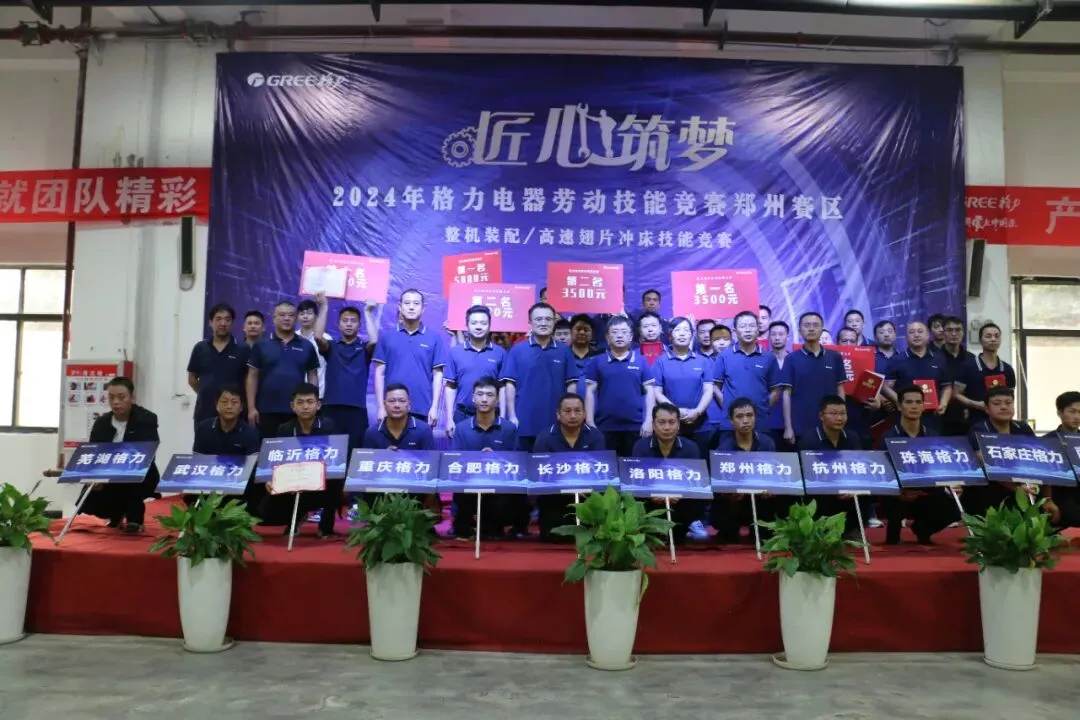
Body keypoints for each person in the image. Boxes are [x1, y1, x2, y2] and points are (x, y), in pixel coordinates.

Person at [877, 385, 960, 545]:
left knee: (953, 506)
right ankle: (894, 530)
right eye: (909, 402)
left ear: (923, 406)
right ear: (899, 406)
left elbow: (941, 467)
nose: (914, 406)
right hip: (898, 493)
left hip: (927, 491)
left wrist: (954, 484)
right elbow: (883, 472)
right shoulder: (887, 437)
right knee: (890, 498)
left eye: (918, 402)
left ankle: (923, 530)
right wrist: (899, 491)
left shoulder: (932, 435)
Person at [255, 383, 341, 537]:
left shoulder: (328, 426)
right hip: (294, 479)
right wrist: (270, 478)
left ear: (318, 405)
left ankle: (326, 525)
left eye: (310, 402)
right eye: (300, 402)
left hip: (322, 479)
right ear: (292, 406)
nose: (305, 407)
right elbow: (276, 458)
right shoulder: (285, 429)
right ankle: (296, 517)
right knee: (265, 510)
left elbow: (336, 458)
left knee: (337, 480)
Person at [79, 377, 160, 533]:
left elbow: (148, 452)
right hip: (108, 470)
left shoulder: (146, 419)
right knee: (96, 486)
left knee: (134, 480)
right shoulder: (102, 422)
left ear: (132, 398)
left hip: (138, 469)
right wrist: (94, 475)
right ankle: (114, 515)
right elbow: (94, 451)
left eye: (121, 397)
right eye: (111, 397)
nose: (116, 402)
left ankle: (134, 519)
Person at [502, 302, 578, 453]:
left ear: (554, 322)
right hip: (523, 421)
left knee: (553, 464)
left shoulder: (564, 351)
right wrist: (512, 416)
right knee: (523, 464)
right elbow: (510, 384)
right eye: (538, 319)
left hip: (556, 422)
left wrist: (570, 414)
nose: (543, 323)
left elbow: (571, 385)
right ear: (530, 322)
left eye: (548, 319)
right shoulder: (517, 350)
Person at [450, 377, 519, 539]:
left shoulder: (508, 428)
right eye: (480, 394)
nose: (484, 399)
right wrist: (477, 459)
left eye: (489, 395)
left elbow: (516, 463)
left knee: (493, 529)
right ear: (473, 398)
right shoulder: (461, 428)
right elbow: (454, 463)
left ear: (497, 400)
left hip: (498, 485)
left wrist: (496, 459)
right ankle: (464, 526)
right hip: (469, 484)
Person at [531, 394, 607, 540]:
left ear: (584, 414)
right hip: (555, 498)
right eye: (567, 411)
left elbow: (601, 470)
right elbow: (539, 474)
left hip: (587, 497)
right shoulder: (545, 437)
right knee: (553, 537)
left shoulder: (595, 436)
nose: (572, 416)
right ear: (558, 415)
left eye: (577, 411)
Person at [311, 293, 379, 452]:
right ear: (339, 325)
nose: (349, 324)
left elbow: (375, 341)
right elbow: (318, 337)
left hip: (356, 409)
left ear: (359, 325)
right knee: (330, 452)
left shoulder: (364, 348)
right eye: (345, 320)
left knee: (354, 452)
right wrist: (324, 306)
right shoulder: (332, 346)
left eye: (353, 321)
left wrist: (368, 312)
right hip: (330, 407)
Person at [373, 289, 447, 427]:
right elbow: (379, 373)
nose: (411, 307)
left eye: (416, 303)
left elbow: (438, 375)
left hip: (423, 409)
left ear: (423, 308)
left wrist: (434, 407)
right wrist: (380, 407)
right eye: (407, 303)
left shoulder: (434, 338)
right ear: (400, 307)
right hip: (392, 408)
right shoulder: (387, 337)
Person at [631, 403, 703, 544]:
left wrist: (681, 494)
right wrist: (650, 494)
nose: (667, 427)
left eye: (672, 422)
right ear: (653, 425)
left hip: (681, 504)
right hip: (651, 504)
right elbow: (635, 480)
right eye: (662, 422)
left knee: (700, 495)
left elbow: (696, 482)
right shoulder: (640, 447)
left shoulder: (691, 448)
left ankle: (688, 526)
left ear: (678, 425)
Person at [246, 301, 319, 439]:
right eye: (282, 315)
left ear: (296, 318)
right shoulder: (261, 345)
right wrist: (251, 408)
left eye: (291, 315)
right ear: (274, 318)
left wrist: (312, 405)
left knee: (295, 450)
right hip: (266, 410)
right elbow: (252, 376)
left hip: (298, 411)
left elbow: (313, 376)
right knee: (268, 450)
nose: (286, 318)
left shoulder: (307, 345)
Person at [711, 398, 780, 544]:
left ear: (755, 417)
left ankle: (761, 528)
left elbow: (774, 475)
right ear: (731, 421)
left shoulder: (767, 443)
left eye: (749, 415)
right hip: (735, 501)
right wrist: (728, 493)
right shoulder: (723, 448)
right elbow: (718, 484)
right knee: (723, 510)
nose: (745, 421)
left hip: (761, 499)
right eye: (739, 416)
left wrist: (771, 488)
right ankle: (729, 529)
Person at [585, 315, 655, 456]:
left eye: (624, 332)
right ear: (607, 337)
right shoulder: (597, 362)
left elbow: (650, 392)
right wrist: (590, 421)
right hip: (604, 426)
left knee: (634, 466)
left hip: (636, 426)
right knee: (607, 466)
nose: (619, 335)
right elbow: (589, 392)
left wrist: (649, 420)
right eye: (615, 332)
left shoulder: (641, 361)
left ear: (631, 337)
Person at [798, 395, 865, 537]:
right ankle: (818, 529)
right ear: (821, 416)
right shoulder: (808, 440)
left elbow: (857, 467)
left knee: (864, 491)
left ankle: (852, 529)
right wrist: (833, 488)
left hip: (846, 487)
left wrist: (851, 486)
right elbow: (808, 474)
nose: (839, 418)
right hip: (820, 489)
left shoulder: (852, 437)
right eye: (834, 414)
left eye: (843, 413)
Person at [714, 310, 782, 449]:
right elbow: (715, 387)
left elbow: (775, 391)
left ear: (758, 330)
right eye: (743, 326)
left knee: (762, 460)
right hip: (730, 424)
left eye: (751, 326)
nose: (748, 330)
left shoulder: (768, 357)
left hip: (760, 422)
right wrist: (727, 406)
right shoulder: (724, 356)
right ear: (735, 331)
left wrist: (762, 408)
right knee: (729, 460)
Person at [780, 312, 847, 445]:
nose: (811, 329)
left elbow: (840, 389)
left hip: (830, 425)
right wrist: (788, 427)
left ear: (822, 329)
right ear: (800, 330)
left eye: (815, 325)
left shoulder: (835, 357)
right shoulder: (791, 359)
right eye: (807, 325)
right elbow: (786, 394)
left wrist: (841, 417)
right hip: (801, 425)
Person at [192, 384, 261, 510]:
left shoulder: (250, 432)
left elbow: (252, 467)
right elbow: (197, 461)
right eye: (224, 402)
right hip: (210, 481)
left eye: (234, 402)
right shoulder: (203, 428)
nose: (229, 406)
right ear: (217, 405)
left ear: (241, 407)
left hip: (238, 485)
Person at [967, 387, 1035, 514]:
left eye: (1008, 403)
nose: (1004, 407)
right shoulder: (979, 430)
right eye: (997, 403)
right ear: (987, 408)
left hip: (1024, 484)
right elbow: (986, 463)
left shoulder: (1023, 428)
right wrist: (1016, 488)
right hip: (992, 488)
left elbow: (1036, 458)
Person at [445, 305, 507, 438]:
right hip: (463, 416)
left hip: (492, 416)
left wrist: (502, 417)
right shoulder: (455, 352)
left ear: (489, 326)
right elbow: (450, 387)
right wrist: (449, 418)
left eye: (483, 323)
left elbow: (502, 387)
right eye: (474, 323)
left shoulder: (500, 353)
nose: (478, 327)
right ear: (467, 326)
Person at [652, 317, 713, 448]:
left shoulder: (703, 361)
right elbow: (657, 392)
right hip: (670, 424)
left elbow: (709, 390)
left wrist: (698, 411)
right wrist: (675, 412)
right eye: (677, 330)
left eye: (686, 330)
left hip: (700, 425)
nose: (682, 334)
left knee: (701, 459)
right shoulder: (660, 361)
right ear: (670, 335)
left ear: (691, 335)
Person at [186, 302, 249, 428]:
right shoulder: (200, 348)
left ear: (232, 323)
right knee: (204, 440)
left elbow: (248, 380)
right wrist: (206, 393)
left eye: (227, 319)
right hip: (205, 410)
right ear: (210, 322)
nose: (223, 323)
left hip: (234, 412)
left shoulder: (243, 348)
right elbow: (192, 379)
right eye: (218, 319)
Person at [882, 321, 951, 431]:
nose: (916, 335)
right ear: (906, 337)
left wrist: (944, 403)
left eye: (920, 331)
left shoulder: (939, 359)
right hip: (905, 417)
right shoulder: (897, 360)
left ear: (927, 335)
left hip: (933, 416)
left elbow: (947, 386)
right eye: (912, 332)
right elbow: (885, 387)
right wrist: (901, 402)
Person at [954, 322, 1017, 428]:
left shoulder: (1007, 369)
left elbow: (1010, 397)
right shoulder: (967, 366)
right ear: (980, 340)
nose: (993, 339)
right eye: (988, 336)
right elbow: (956, 394)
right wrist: (977, 404)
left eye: (996, 336)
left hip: (1002, 423)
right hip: (975, 420)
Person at [1041, 391, 1080, 530]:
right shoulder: (1046, 441)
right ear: (1059, 412)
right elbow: (1043, 476)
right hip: (1059, 500)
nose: (1077, 417)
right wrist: (1048, 499)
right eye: (1072, 411)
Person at [363, 384, 437, 451]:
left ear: (409, 405)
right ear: (384, 405)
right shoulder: (372, 433)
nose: (397, 405)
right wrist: (383, 456)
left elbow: (430, 460)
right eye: (392, 401)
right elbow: (367, 460)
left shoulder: (424, 430)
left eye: (402, 401)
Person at [937, 315, 974, 437]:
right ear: (943, 333)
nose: (954, 334)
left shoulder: (971, 359)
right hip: (939, 415)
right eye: (949, 330)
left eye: (958, 330)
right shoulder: (933, 358)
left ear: (963, 333)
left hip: (966, 415)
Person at [297, 298, 333, 397]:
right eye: (302, 313)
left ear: (316, 316)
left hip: (320, 392)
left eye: (309, 313)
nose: (305, 316)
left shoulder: (325, 338)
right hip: (296, 393)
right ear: (297, 317)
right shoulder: (293, 338)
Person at [766, 320, 791, 447]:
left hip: (792, 420)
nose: (777, 338)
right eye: (773, 334)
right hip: (768, 420)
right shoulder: (763, 360)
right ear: (769, 337)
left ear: (787, 336)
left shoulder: (795, 360)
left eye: (781, 334)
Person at [568, 313, 599, 397]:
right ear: (571, 331)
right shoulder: (563, 355)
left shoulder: (599, 356)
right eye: (578, 329)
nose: (582, 332)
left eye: (586, 330)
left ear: (592, 334)